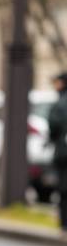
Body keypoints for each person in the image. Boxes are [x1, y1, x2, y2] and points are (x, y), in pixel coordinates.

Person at [48, 71, 67, 234]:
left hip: (63, 152)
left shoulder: (60, 104)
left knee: (63, 187)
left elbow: (53, 126)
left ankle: (64, 223)